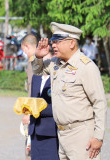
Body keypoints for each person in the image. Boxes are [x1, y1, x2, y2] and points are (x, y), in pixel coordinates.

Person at [31, 22, 107, 160]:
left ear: (72, 43)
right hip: (62, 134)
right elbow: (37, 70)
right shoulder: (56, 63)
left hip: (81, 134)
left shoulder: (86, 67)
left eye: (57, 41)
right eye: (53, 41)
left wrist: (98, 137)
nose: (53, 45)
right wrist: (38, 57)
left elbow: (100, 103)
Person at [29, 51, 59, 160]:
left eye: (46, 59)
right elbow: (33, 100)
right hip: (35, 131)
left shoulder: (58, 77)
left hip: (51, 131)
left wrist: (39, 109)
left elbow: (62, 107)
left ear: (54, 59)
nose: (43, 63)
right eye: (40, 60)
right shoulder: (36, 77)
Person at [20, 34, 38, 160]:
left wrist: (28, 113)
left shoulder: (33, 62)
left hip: (35, 113)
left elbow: (34, 89)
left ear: (26, 47)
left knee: (30, 152)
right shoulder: (41, 59)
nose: (24, 53)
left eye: (23, 50)